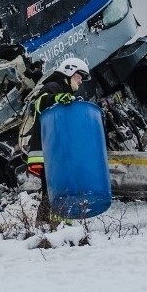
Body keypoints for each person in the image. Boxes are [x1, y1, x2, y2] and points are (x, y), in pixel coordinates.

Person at [25, 57, 90, 226]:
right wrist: (56, 98)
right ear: (69, 72)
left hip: (55, 151)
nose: (80, 81)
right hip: (49, 151)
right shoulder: (53, 87)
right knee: (55, 188)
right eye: (79, 76)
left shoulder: (66, 94)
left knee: (54, 189)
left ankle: (48, 223)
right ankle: (53, 224)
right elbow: (39, 104)